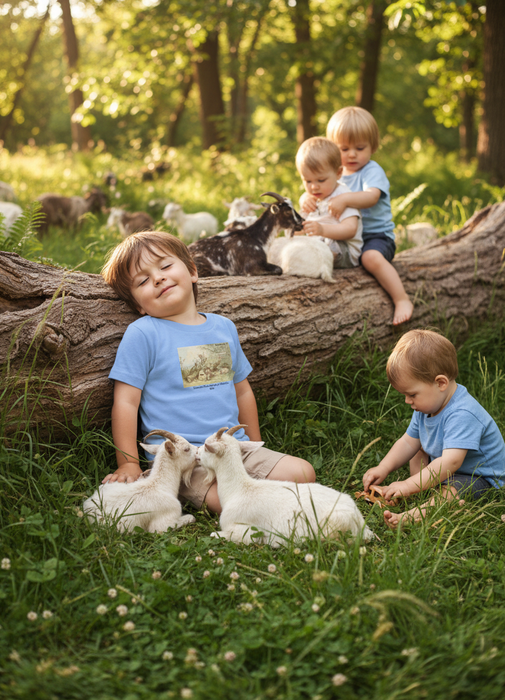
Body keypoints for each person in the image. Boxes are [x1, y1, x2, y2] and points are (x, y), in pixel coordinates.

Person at [100, 230, 315, 513]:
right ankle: (263, 505)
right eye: (143, 280)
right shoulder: (143, 333)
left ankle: (264, 498)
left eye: (165, 266)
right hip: (183, 458)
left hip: (231, 447)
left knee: (303, 473)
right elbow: (126, 403)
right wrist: (128, 462)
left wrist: (252, 444)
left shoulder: (223, 327)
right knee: (224, 501)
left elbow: (242, 390)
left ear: (192, 271)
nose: (158, 278)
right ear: (138, 305)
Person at [362, 330, 505, 529]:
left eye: (412, 394)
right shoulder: (427, 406)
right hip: (446, 468)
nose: (407, 401)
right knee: (417, 446)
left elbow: (451, 462)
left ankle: (414, 516)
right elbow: (407, 442)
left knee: (452, 491)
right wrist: (383, 467)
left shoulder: (463, 413)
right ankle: (417, 490)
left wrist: (406, 485)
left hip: (480, 477)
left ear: (440, 383)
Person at [318, 106, 413, 325]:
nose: (352, 154)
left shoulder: (371, 171)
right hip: (347, 236)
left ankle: (402, 299)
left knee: (370, 258)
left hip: (375, 236)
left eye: (360, 148)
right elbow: (319, 191)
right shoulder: (335, 174)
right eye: (344, 148)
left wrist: (345, 199)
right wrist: (308, 198)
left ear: (373, 146)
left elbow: (372, 196)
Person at [296, 136, 363, 269]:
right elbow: (299, 228)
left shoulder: (343, 196)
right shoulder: (312, 197)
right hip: (317, 244)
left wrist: (322, 229)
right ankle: (305, 258)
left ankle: (316, 259)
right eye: (308, 181)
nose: (314, 187)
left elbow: (350, 229)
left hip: (344, 251)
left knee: (327, 245)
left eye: (321, 180)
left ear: (338, 173)